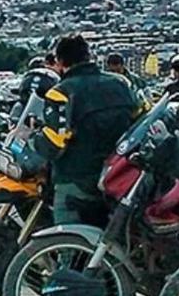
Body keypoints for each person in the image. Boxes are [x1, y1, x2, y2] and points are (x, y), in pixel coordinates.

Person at [33, 35, 141, 226]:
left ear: (60, 61)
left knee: (65, 234)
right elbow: (141, 119)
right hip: (118, 177)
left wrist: (34, 139)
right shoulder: (120, 84)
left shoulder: (61, 92)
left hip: (77, 179)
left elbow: (54, 143)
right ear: (88, 56)